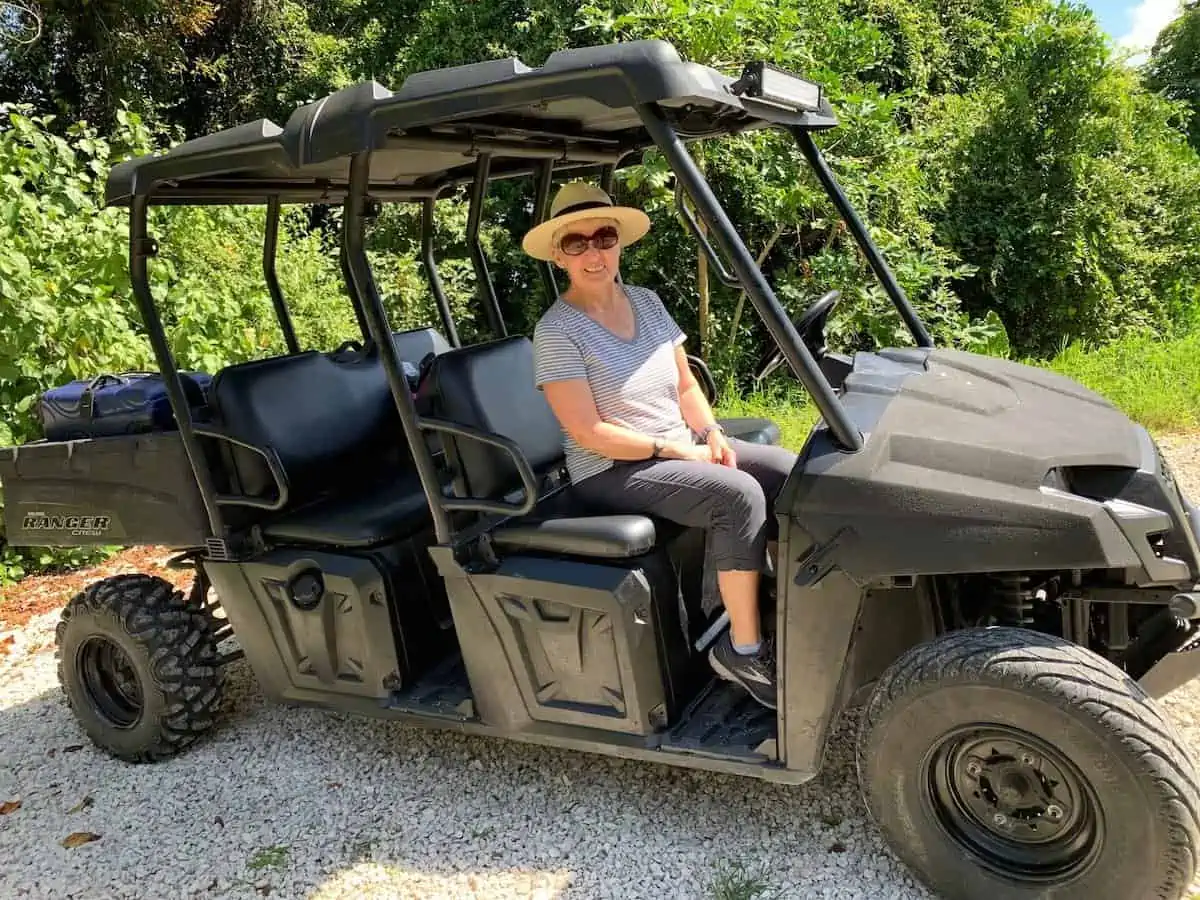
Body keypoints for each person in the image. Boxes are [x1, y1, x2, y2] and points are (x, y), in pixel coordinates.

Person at [521, 182, 799, 710]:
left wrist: (712, 433)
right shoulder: (557, 332)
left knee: (786, 471)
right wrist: (676, 451)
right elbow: (588, 433)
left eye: (603, 236)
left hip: (676, 445)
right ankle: (742, 648)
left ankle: (785, 606)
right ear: (560, 256)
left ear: (618, 242)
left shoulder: (646, 303)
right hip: (610, 470)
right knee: (736, 495)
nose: (593, 252)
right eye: (577, 243)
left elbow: (687, 385)